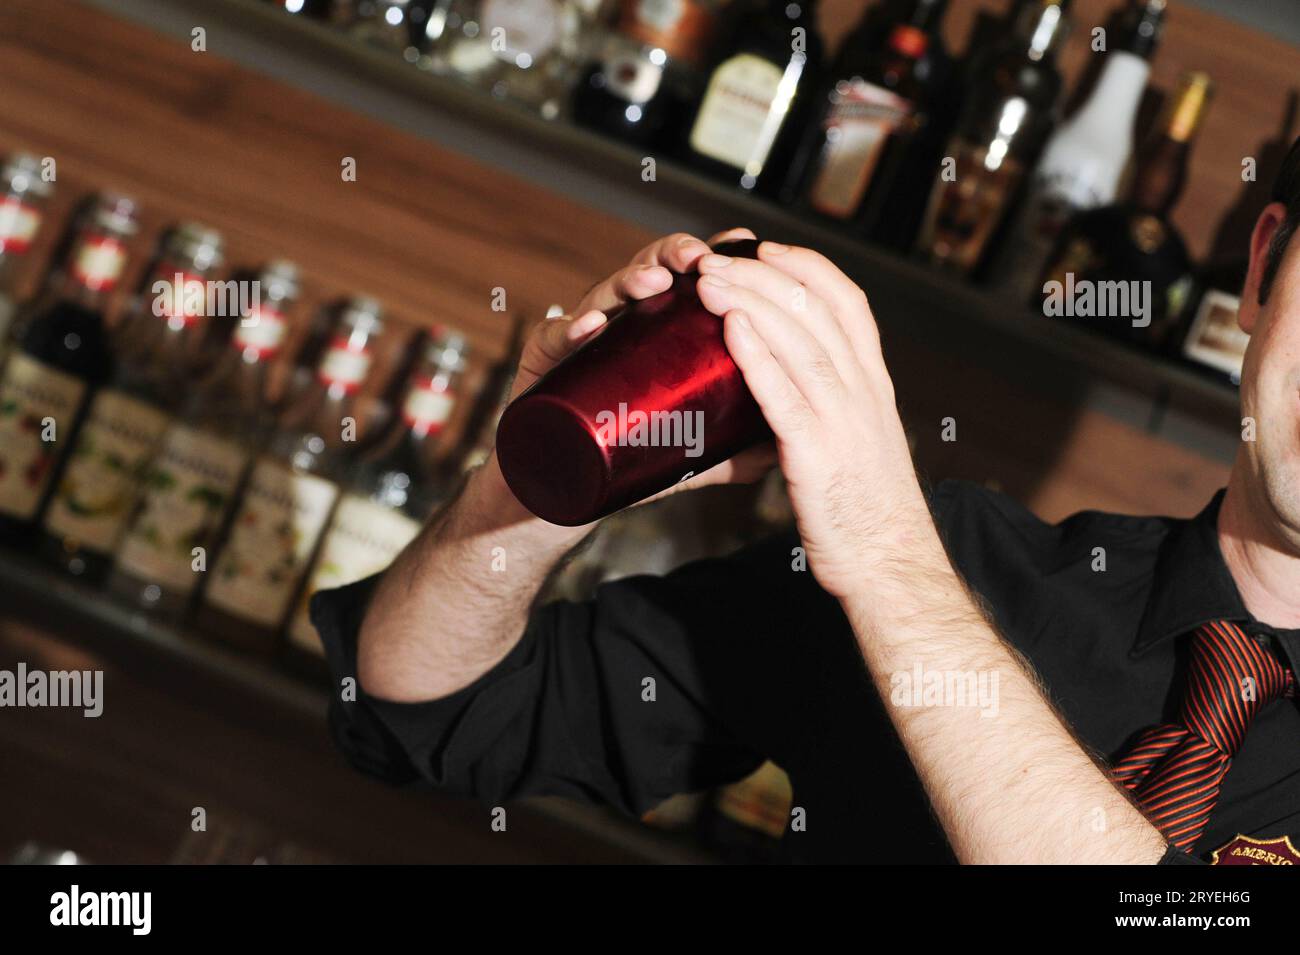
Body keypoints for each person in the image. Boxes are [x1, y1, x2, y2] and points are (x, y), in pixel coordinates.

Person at [310, 139, 1300, 864]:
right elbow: (433, 712)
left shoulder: (906, 570)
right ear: (1260, 272)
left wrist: (888, 559)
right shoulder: (965, 561)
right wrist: (536, 488)